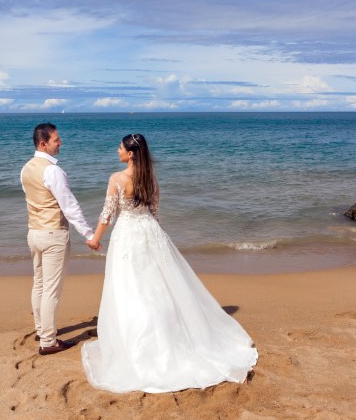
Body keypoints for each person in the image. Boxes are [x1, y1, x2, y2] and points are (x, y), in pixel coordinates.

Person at [83, 133, 258, 393]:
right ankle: (165, 336)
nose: (117, 150)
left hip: (127, 236)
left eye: (120, 147)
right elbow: (154, 212)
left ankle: (138, 344)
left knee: (130, 288)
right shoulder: (150, 179)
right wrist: (155, 236)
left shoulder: (117, 179)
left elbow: (107, 215)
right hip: (150, 231)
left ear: (130, 154)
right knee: (157, 286)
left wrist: (95, 239)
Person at [21, 123, 98, 356]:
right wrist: (89, 234)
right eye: (56, 140)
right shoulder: (53, 171)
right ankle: (48, 341)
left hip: (34, 233)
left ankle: (41, 329)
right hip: (53, 234)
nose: (60, 143)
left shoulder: (26, 168)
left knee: (39, 284)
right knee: (51, 290)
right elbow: (69, 206)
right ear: (43, 144)